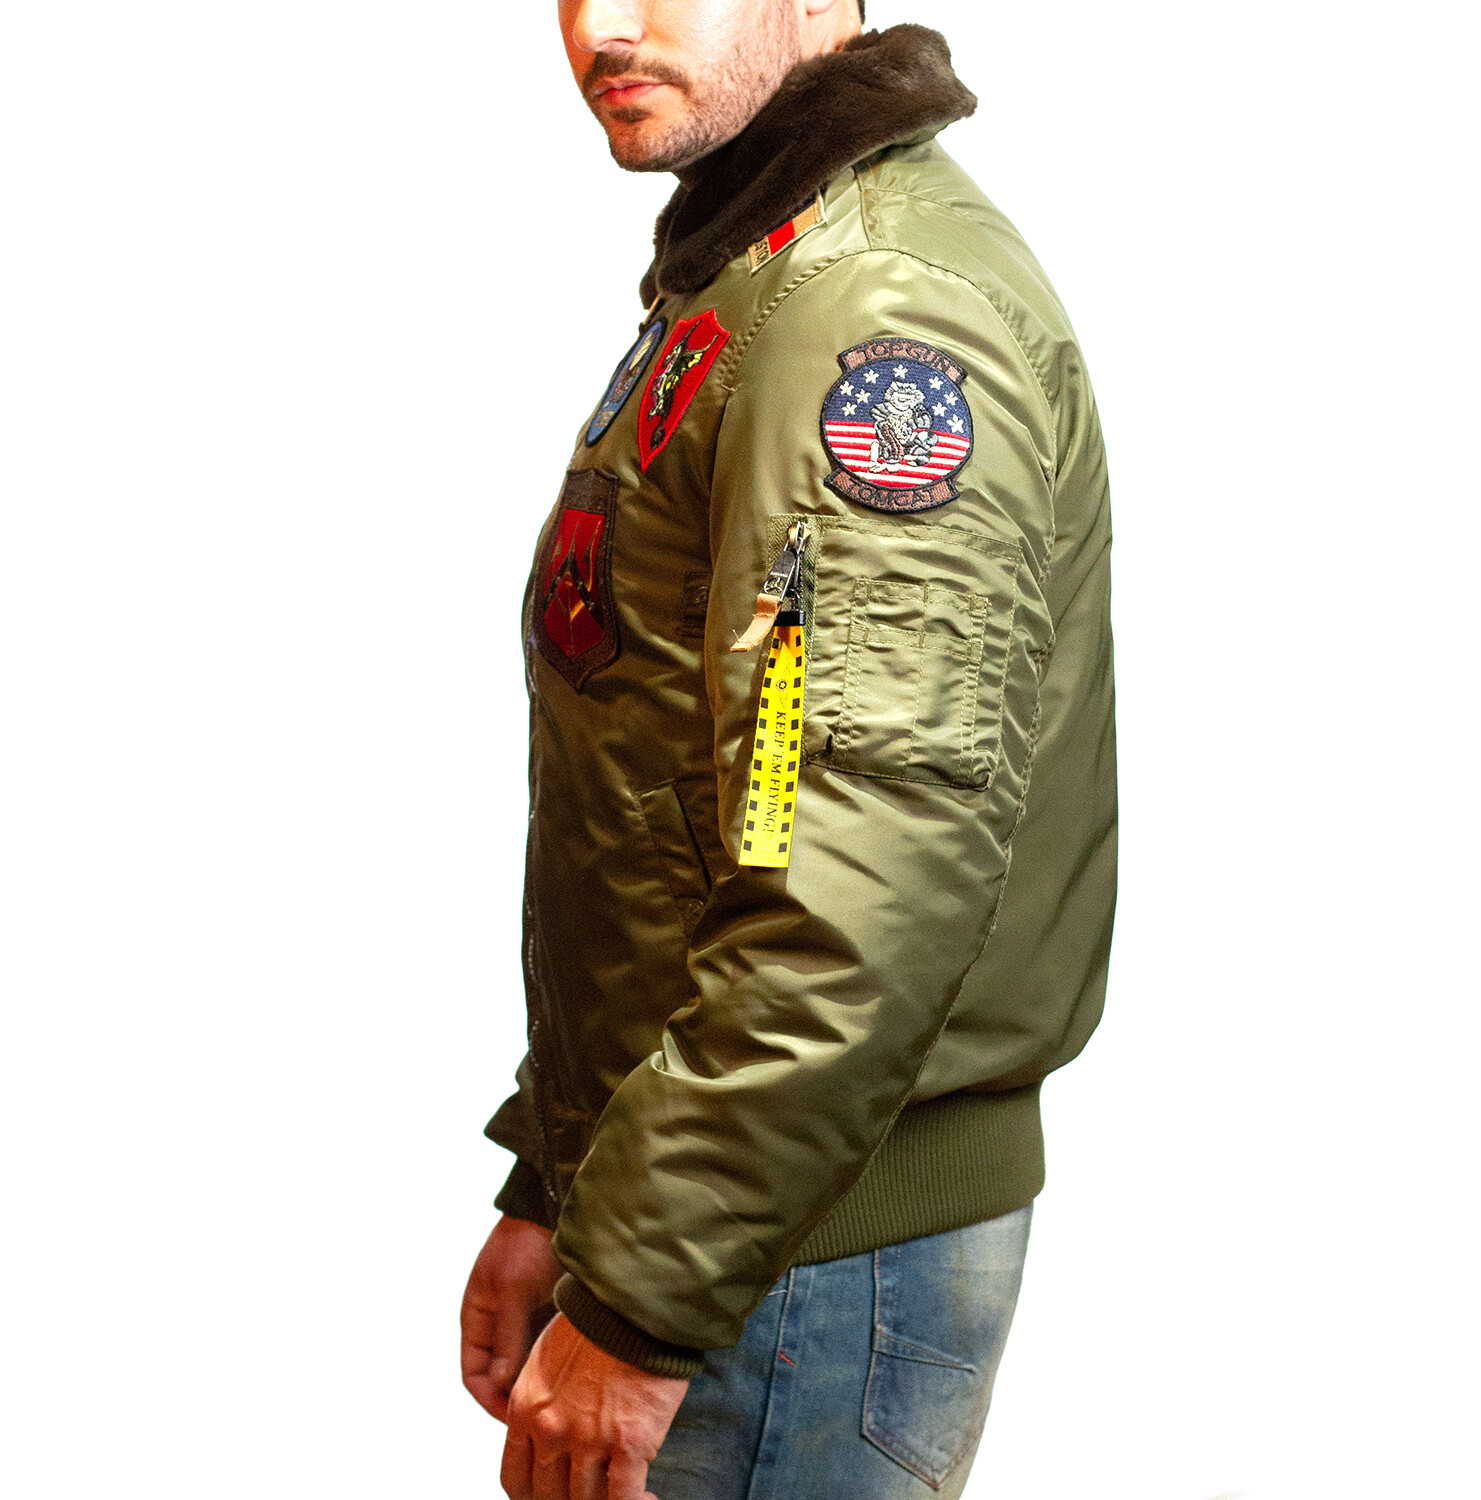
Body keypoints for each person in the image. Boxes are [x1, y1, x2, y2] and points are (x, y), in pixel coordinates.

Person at [459, 1, 1117, 1495]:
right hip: (742, 1218)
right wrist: (557, 1176)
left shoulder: (875, 310)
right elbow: (683, 797)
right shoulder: (762, 269)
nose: (604, 28)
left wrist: (643, 1297)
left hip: (802, 1259)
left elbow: (860, 877)